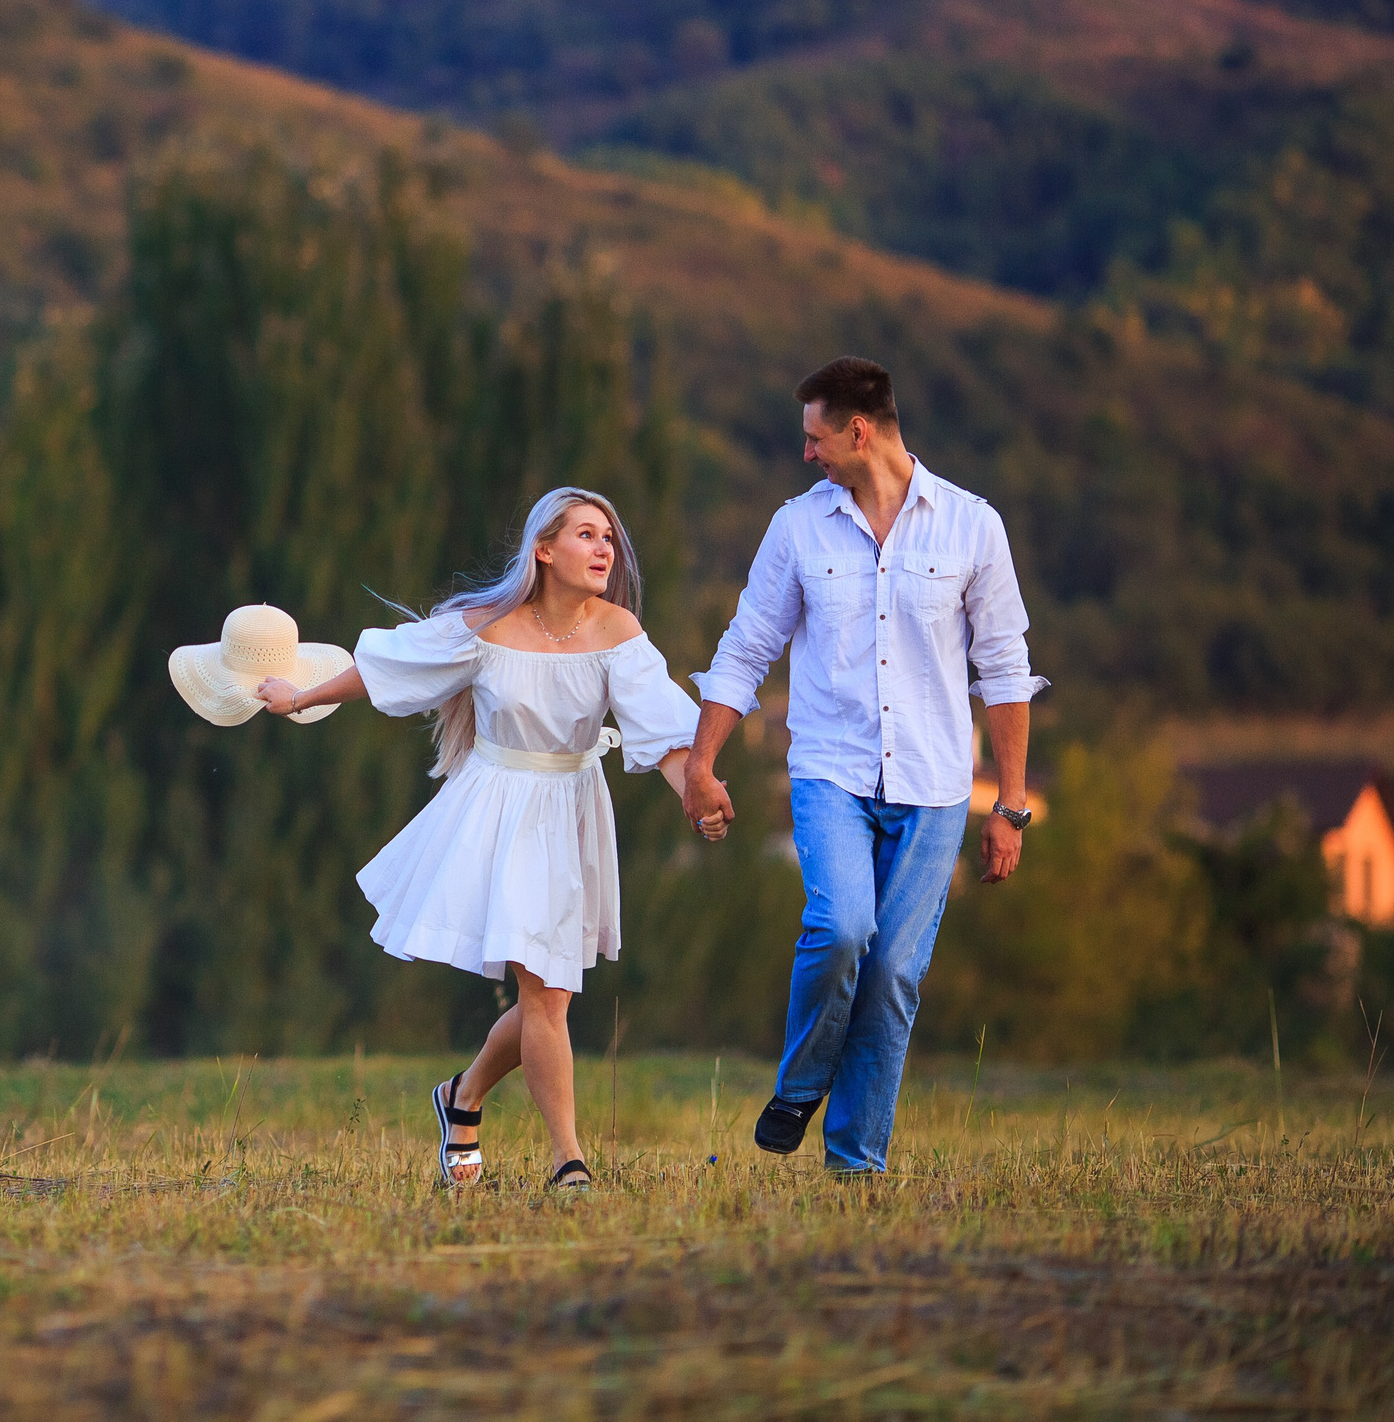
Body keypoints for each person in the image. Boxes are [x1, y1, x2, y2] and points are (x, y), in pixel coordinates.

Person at [255, 488, 726, 1191]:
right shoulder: (487, 627)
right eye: (587, 535)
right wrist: (299, 697)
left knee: (552, 995)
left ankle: (462, 1096)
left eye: (609, 538)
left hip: (571, 809)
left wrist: (697, 793)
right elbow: (389, 669)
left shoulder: (618, 629)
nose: (605, 549)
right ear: (544, 548)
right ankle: (570, 1160)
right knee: (542, 994)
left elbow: (661, 733)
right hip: (499, 810)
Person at [679, 357, 1047, 1176]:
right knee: (842, 927)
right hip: (831, 773)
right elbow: (746, 649)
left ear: (859, 430)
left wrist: (1011, 805)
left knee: (891, 975)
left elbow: (1006, 668)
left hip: (935, 783)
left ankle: (855, 1167)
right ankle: (803, 1082)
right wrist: (703, 762)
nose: (806, 454)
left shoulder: (971, 525)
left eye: (815, 438)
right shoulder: (797, 527)